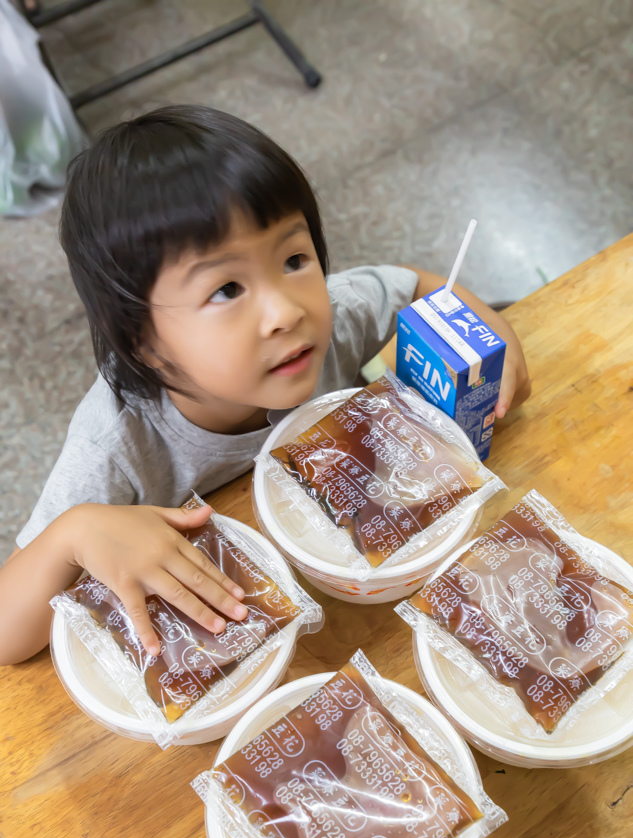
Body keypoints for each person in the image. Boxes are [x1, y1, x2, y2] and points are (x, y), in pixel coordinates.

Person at [0, 105, 530, 665]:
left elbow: (422, 285)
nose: (285, 310)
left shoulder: (334, 319)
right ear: (144, 343)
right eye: (227, 289)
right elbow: (8, 635)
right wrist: (76, 533)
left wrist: (496, 342)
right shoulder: (116, 444)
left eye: (294, 258)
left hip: (377, 571)